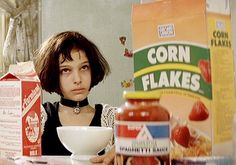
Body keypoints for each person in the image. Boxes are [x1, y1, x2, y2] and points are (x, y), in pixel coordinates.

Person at [34, 31, 116, 164]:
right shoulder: (38, 117)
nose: (77, 79)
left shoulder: (111, 118)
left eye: (84, 67)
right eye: (66, 70)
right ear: (53, 74)